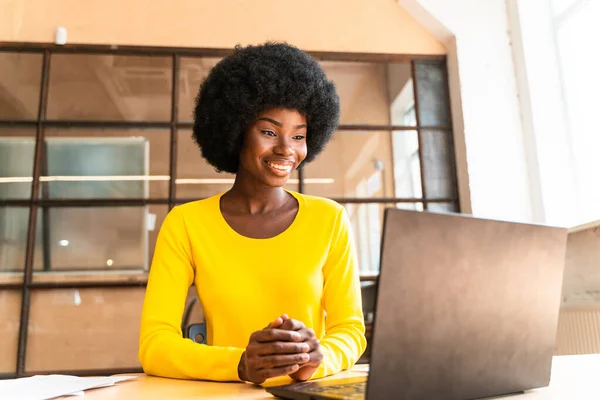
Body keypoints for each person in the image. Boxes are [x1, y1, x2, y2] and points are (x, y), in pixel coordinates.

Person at [138, 42, 366, 384]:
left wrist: (318, 358)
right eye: (269, 132)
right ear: (236, 129)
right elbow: (154, 345)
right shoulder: (186, 224)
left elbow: (350, 330)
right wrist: (241, 363)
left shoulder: (329, 219)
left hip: (308, 391)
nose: (286, 149)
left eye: (299, 136)